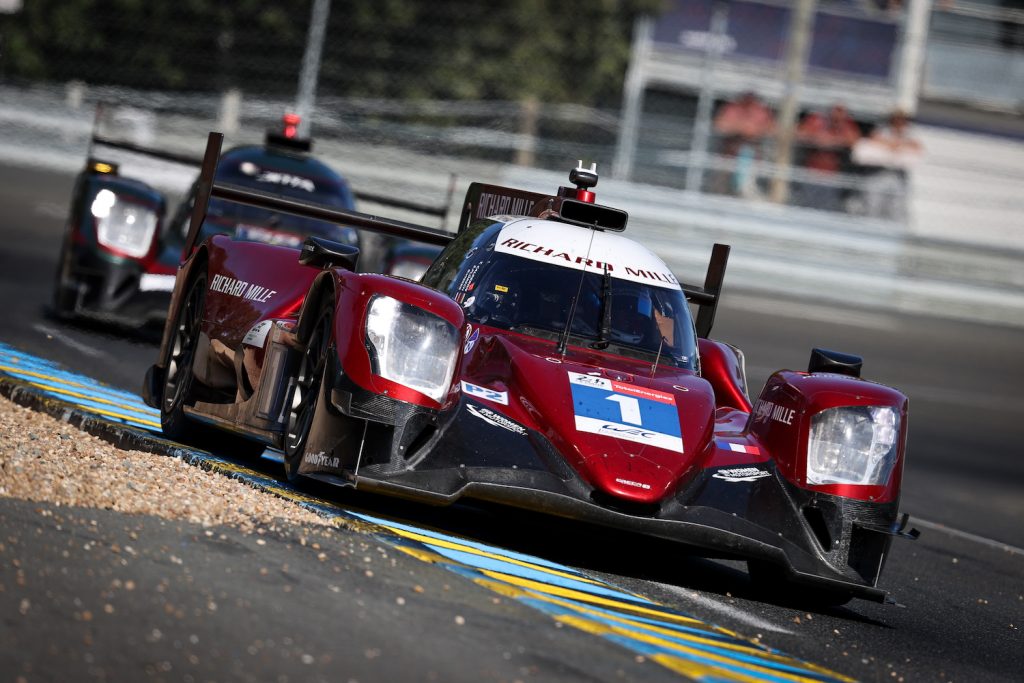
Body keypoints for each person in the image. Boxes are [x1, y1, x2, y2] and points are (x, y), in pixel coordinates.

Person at [852, 110, 923, 221]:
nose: (900, 123)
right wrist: (892, 145)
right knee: (872, 206)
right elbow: (874, 139)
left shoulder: (909, 133)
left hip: (897, 177)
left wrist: (896, 145)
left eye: (903, 120)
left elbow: (917, 147)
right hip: (877, 175)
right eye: (897, 119)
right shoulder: (883, 130)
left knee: (896, 209)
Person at [794, 104, 862, 210]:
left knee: (827, 208)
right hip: (812, 171)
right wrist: (817, 139)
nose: (837, 118)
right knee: (807, 206)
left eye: (841, 115)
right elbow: (800, 134)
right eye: (835, 114)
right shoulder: (817, 121)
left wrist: (833, 141)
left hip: (833, 174)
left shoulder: (847, 125)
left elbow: (854, 140)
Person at [712, 92, 776, 198]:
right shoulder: (733, 108)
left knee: (747, 183)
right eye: (747, 100)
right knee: (722, 179)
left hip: (751, 150)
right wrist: (741, 127)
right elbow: (720, 125)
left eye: (753, 101)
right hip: (731, 149)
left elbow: (772, 129)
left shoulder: (761, 111)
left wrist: (749, 129)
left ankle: (744, 196)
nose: (750, 104)